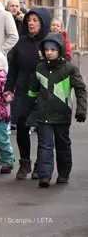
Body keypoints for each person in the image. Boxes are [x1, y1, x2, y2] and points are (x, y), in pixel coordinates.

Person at [24, 32, 87, 187]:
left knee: (62, 144)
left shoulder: (69, 69)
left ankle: (64, 173)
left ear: (60, 50)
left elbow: (80, 89)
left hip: (62, 114)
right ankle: (45, 176)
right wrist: (28, 109)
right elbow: (33, 90)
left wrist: (81, 109)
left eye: (53, 49)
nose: (49, 52)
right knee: (45, 145)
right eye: (47, 49)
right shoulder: (39, 68)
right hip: (43, 113)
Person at [4, 7, 51, 180]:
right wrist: (9, 88)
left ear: (43, 23)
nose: (31, 23)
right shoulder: (21, 43)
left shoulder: (50, 42)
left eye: (35, 20)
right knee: (22, 126)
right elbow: (13, 69)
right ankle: (25, 163)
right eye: (29, 20)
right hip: (23, 89)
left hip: (43, 90)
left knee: (42, 128)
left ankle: (40, 164)